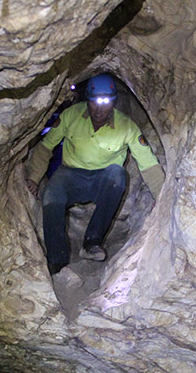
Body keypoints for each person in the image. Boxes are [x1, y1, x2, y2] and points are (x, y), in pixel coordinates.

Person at [26, 73, 165, 275]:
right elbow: (46, 147)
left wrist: (161, 194)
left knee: (118, 174)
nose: (100, 109)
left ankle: (92, 243)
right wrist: (34, 177)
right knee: (51, 194)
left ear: (114, 102)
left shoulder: (126, 126)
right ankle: (57, 260)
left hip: (103, 179)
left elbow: (148, 163)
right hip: (71, 175)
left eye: (106, 102)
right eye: (94, 102)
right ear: (87, 101)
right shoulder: (71, 115)